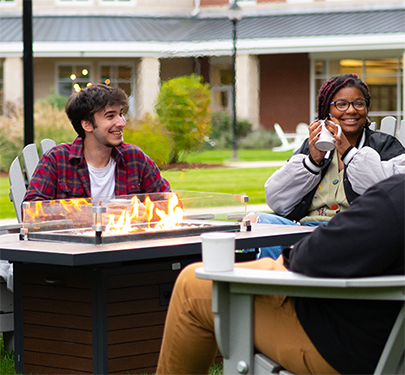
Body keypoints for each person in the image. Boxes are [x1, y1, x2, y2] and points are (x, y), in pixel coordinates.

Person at [156, 174, 405, 375]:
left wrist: (291, 254)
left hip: (352, 349)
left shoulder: (396, 198)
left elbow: (314, 257)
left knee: (192, 285)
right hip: (388, 341)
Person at [246, 73, 405, 259]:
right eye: (341, 104)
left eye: (359, 103)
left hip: (354, 232)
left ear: (366, 108)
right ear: (326, 111)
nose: (351, 110)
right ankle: (272, 283)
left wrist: (348, 152)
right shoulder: (312, 147)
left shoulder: (384, 145)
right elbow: (277, 200)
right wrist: (312, 162)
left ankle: (281, 280)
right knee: (254, 221)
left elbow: (392, 193)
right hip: (305, 231)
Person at [23, 84, 170, 204]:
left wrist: (142, 212)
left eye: (121, 114)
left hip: (126, 239)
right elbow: (30, 211)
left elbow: (170, 203)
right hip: (74, 240)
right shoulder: (57, 159)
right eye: (110, 116)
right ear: (87, 125)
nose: (121, 122)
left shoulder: (134, 158)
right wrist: (93, 215)